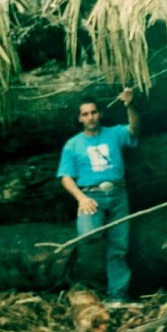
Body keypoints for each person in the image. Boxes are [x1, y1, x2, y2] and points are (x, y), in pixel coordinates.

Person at [57, 88, 139, 304]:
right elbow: (65, 177)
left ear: (99, 114)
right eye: (85, 114)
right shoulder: (73, 144)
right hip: (92, 197)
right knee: (88, 234)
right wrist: (81, 199)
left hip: (118, 194)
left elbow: (133, 128)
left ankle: (117, 296)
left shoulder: (113, 133)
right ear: (79, 118)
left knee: (119, 246)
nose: (90, 117)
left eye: (93, 112)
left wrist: (129, 105)